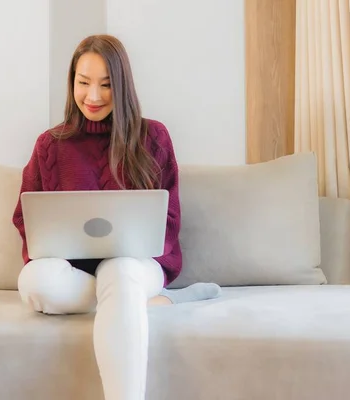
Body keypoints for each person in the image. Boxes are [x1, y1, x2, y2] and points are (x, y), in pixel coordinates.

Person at [12, 34, 221, 400]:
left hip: (138, 266)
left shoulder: (153, 137)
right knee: (34, 282)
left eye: (106, 85)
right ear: (71, 82)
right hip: (75, 271)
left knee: (121, 270)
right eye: (83, 83)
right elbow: (25, 217)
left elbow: (169, 219)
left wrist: (128, 254)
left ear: (122, 85)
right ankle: (152, 302)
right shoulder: (50, 144)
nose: (93, 97)